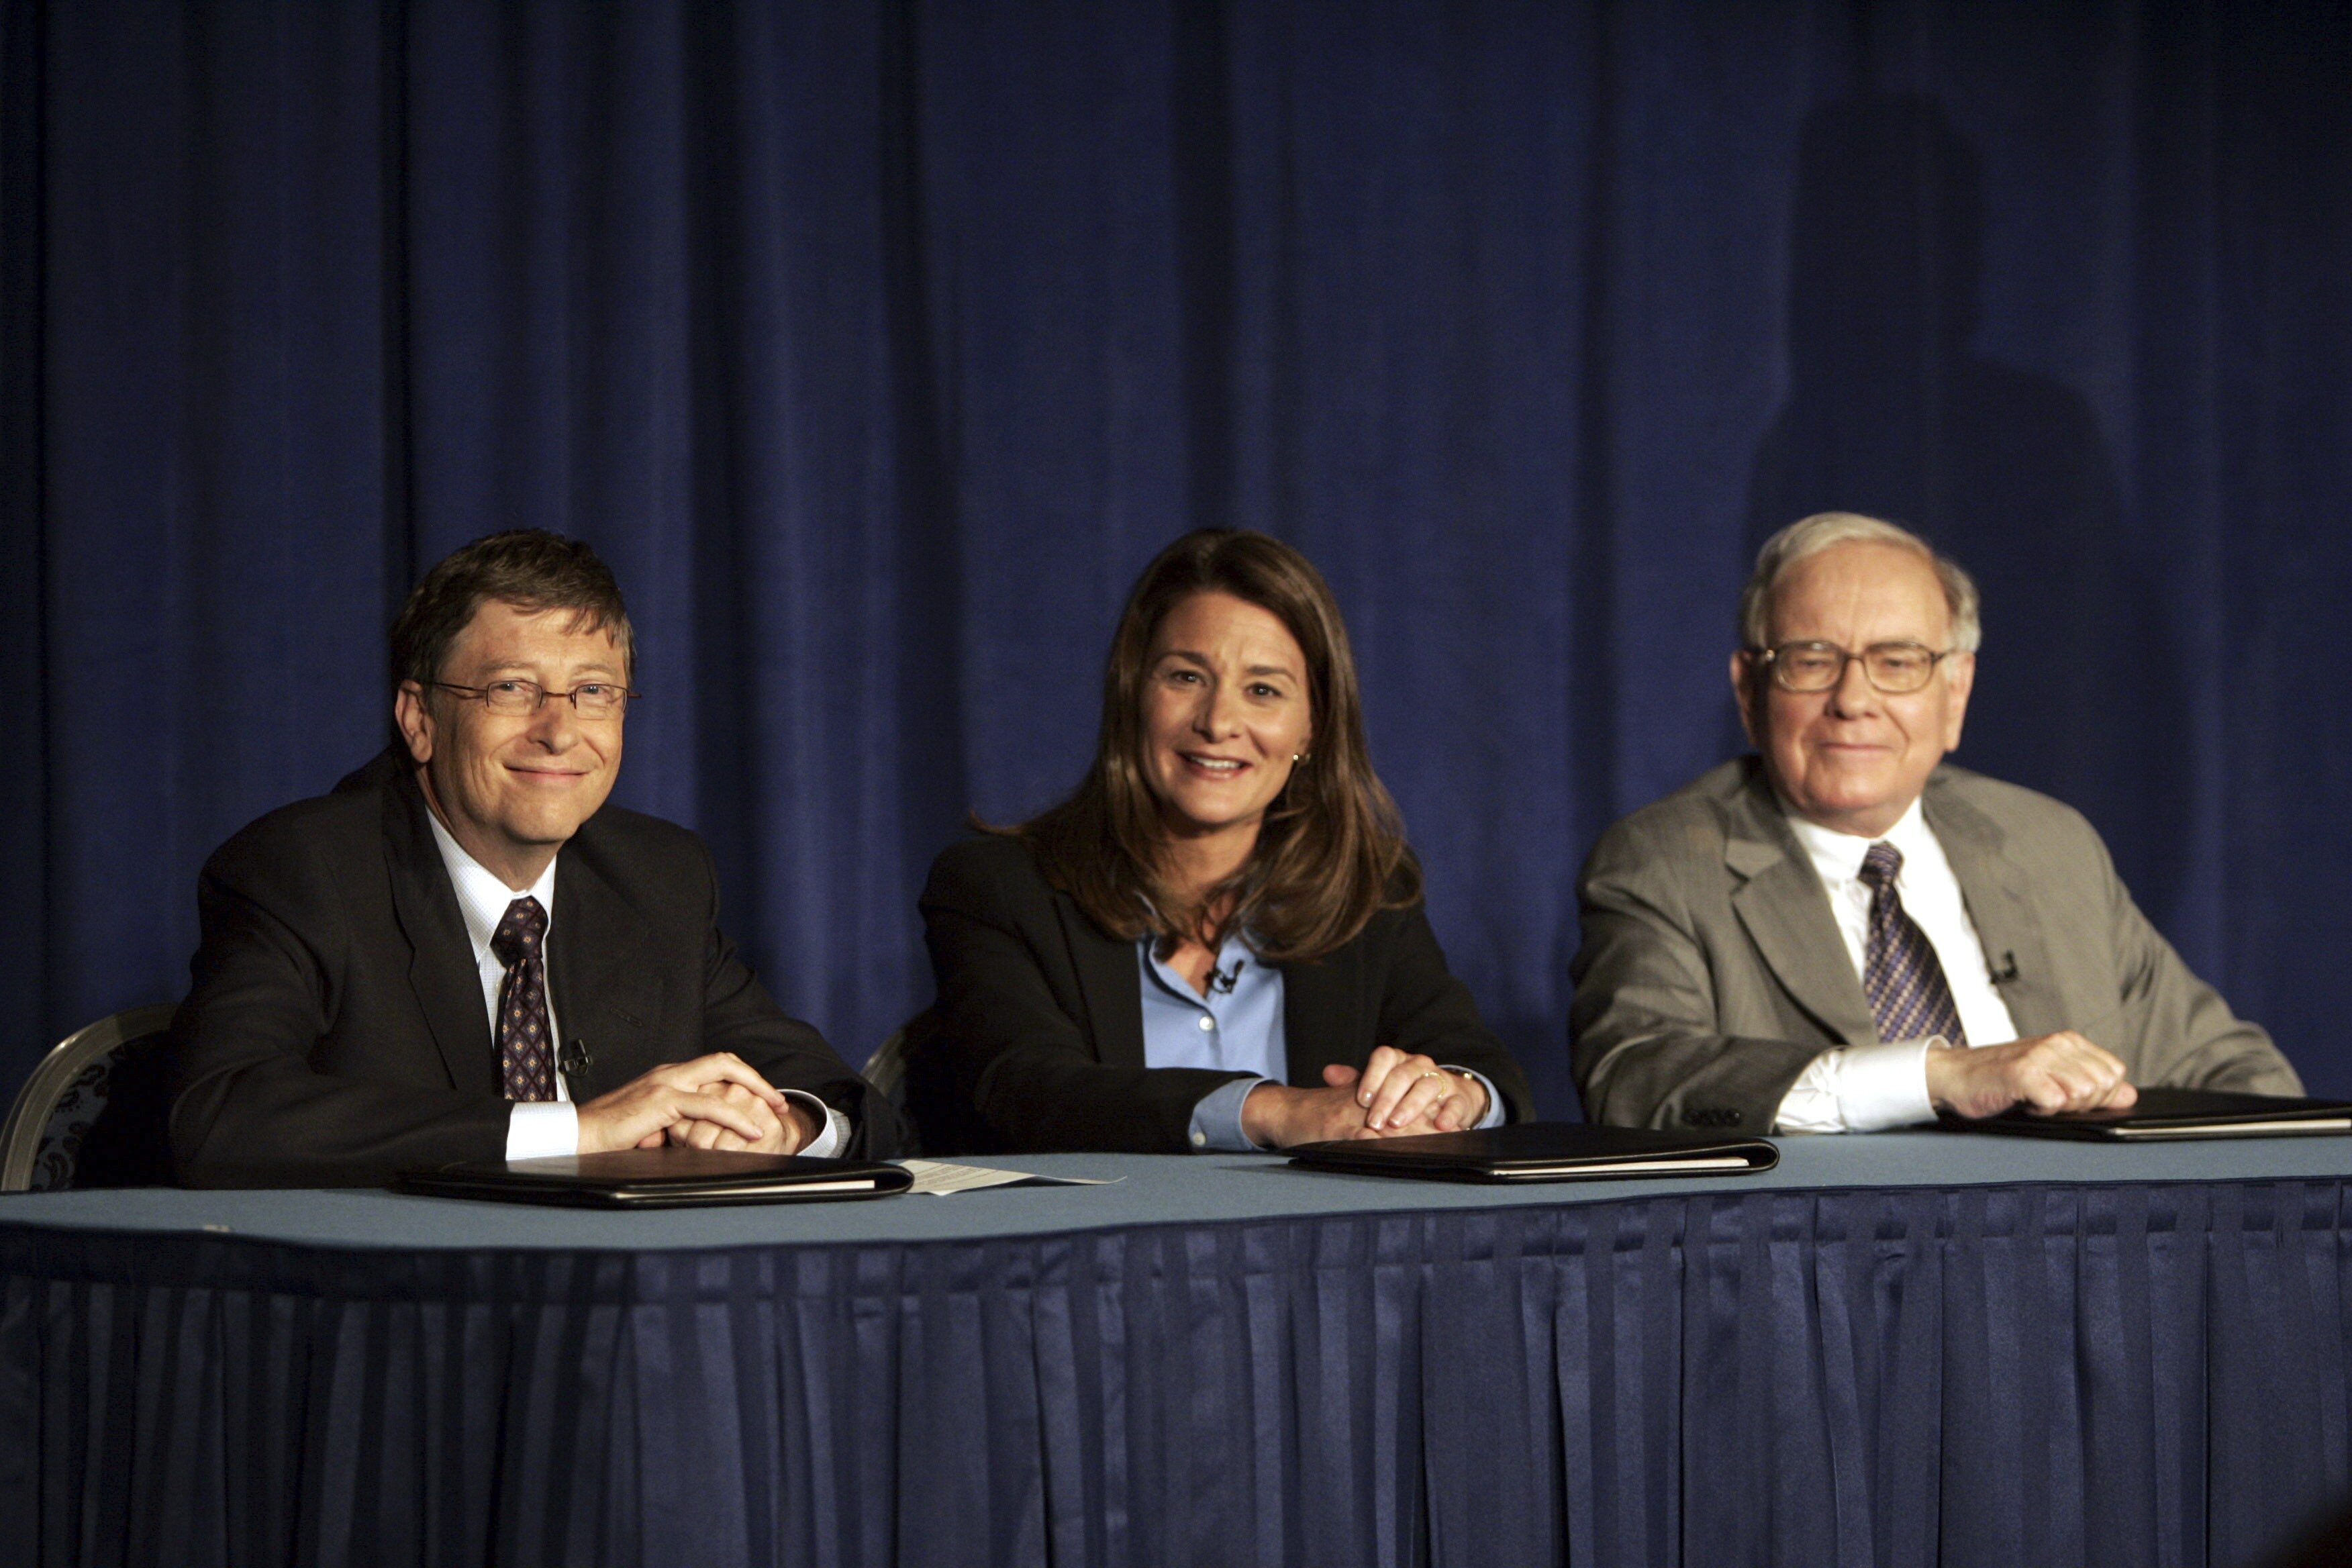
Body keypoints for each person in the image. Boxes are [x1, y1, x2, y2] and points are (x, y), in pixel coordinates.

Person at [170, 530, 895, 1186]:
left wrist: (782, 1125)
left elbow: (853, 1105)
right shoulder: (305, 869)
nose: (560, 731)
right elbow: (221, 1115)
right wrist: (577, 1130)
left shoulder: (658, 876)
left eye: (593, 692)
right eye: (512, 688)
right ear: (419, 719)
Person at [1571, 511, 2300, 1133]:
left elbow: (2235, 1072)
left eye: (1898, 662)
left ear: (1956, 693)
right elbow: (1635, 1077)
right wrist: (1936, 1074)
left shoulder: (2048, 844)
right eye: (1812, 660)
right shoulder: (1665, 862)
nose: (1855, 699)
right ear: (1749, 691)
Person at [903, 529, 1533, 1155]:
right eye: (1185, 677)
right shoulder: (999, 887)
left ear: (1312, 727)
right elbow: (1026, 1092)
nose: (1219, 722)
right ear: (1133, 695)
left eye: (1263, 690)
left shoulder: (1368, 893)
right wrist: (1274, 1110)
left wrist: (1448, 1092)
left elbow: (1482, 1070)